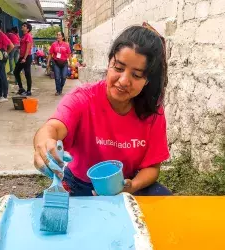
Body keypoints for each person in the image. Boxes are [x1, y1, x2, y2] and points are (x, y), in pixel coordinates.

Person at [34, 24, 172, 197]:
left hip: (125, 185)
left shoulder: (151, 110)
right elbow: (53, 127)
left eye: (136, 75)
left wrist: (132, 186)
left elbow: (152, 167)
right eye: (118, 68)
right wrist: (45, 143)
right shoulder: (83, 98)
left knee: (164, 206)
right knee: (42, 208)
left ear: (148, 80)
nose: (123, 81)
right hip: (78, 184)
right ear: (109, 63)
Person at [47, 31, 71, 96]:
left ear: (62, 37)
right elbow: (50, 54)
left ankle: (60, 88)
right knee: (57, 77)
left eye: (59, 35)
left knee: (63, 77)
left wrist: (71, 63)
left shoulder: (66, 45)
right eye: (57, 35)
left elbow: (69, 54)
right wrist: (48, 63)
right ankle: (58, 91)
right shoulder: (54, 44)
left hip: (64, 63)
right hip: (56, 62)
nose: (58, 36)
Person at [14, 22, 33, 96]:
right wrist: (17, 47)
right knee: (16, 72)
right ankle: (21, 88)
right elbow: (22, 46)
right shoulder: (23, 36)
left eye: (24, 26)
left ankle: (29, 91)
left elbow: (28, 48)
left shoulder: (28, 36)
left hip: (27, 57)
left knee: (27, 73)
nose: (22, 26)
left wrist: (24, 58)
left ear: (27, 29)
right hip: (22, 57)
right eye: (23, 25)